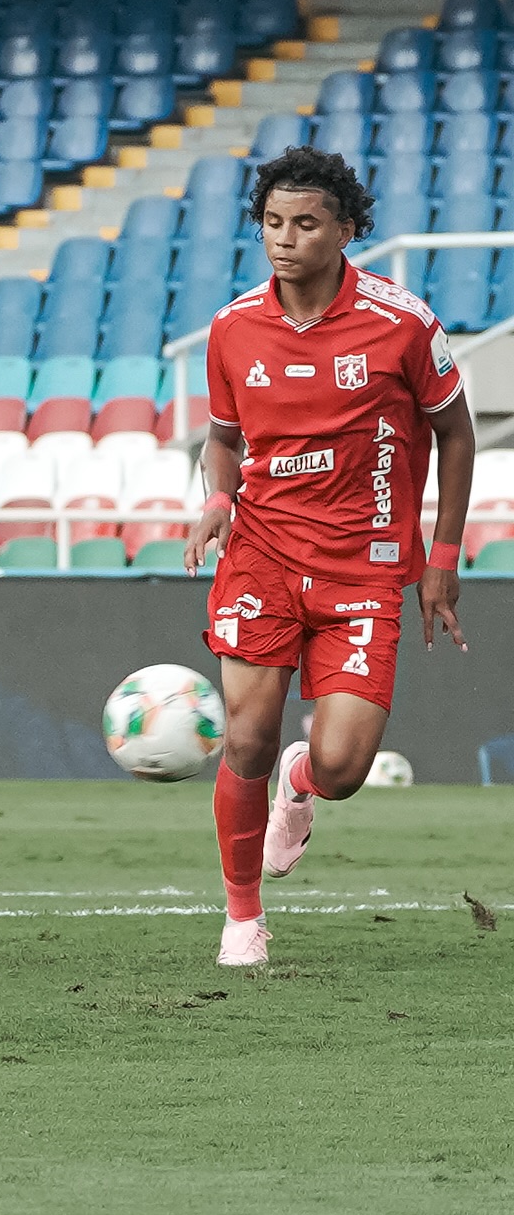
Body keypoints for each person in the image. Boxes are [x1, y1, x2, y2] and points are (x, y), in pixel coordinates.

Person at [184, 147, 473, 969]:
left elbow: (456, 434)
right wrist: (215, 502)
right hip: (263, 555)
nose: (285, 239)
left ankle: (303, 782)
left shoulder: (402, 324)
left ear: (347, 230)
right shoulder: (234, 327)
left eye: (306, 223)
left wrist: (440, 557)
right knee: (246, 736)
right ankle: (243, 918)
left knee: (346, 765)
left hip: (367, 567)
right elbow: (221, 441)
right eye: (273, 223)